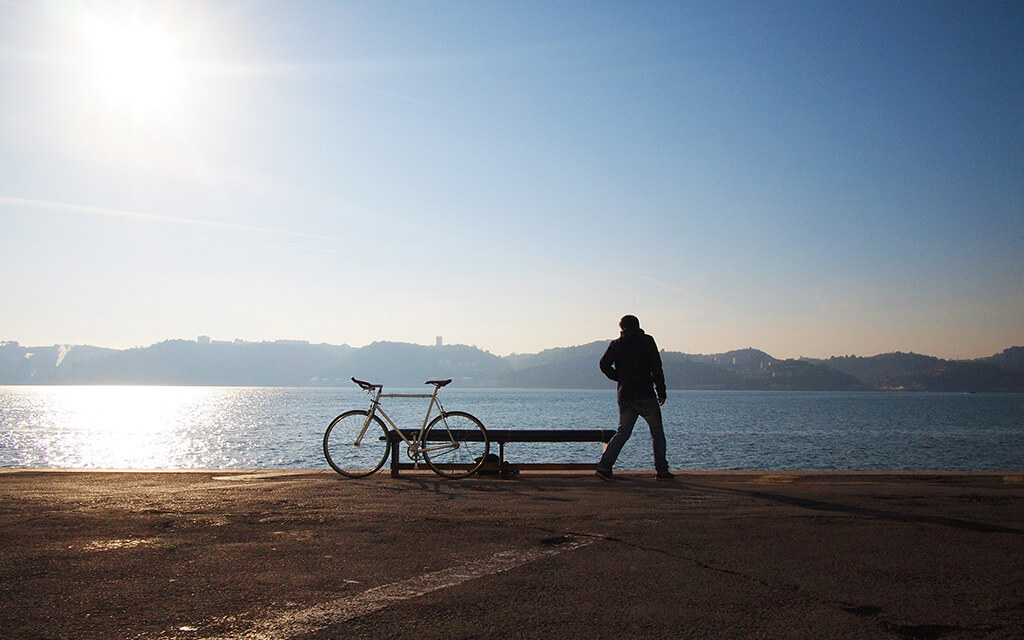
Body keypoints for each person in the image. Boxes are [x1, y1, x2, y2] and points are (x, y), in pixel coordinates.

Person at [596, 315, 673, 480]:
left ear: (621, 327)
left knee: (623, 432)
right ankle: (661, 470)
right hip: (645, 394)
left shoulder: (616, 344)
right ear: (638, 326)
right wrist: (661, 392)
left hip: (625, 395)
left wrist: (619, 377)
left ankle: (604, 466)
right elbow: (656, 367)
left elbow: (603, 364)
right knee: (657, 433)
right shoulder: (647, 341)